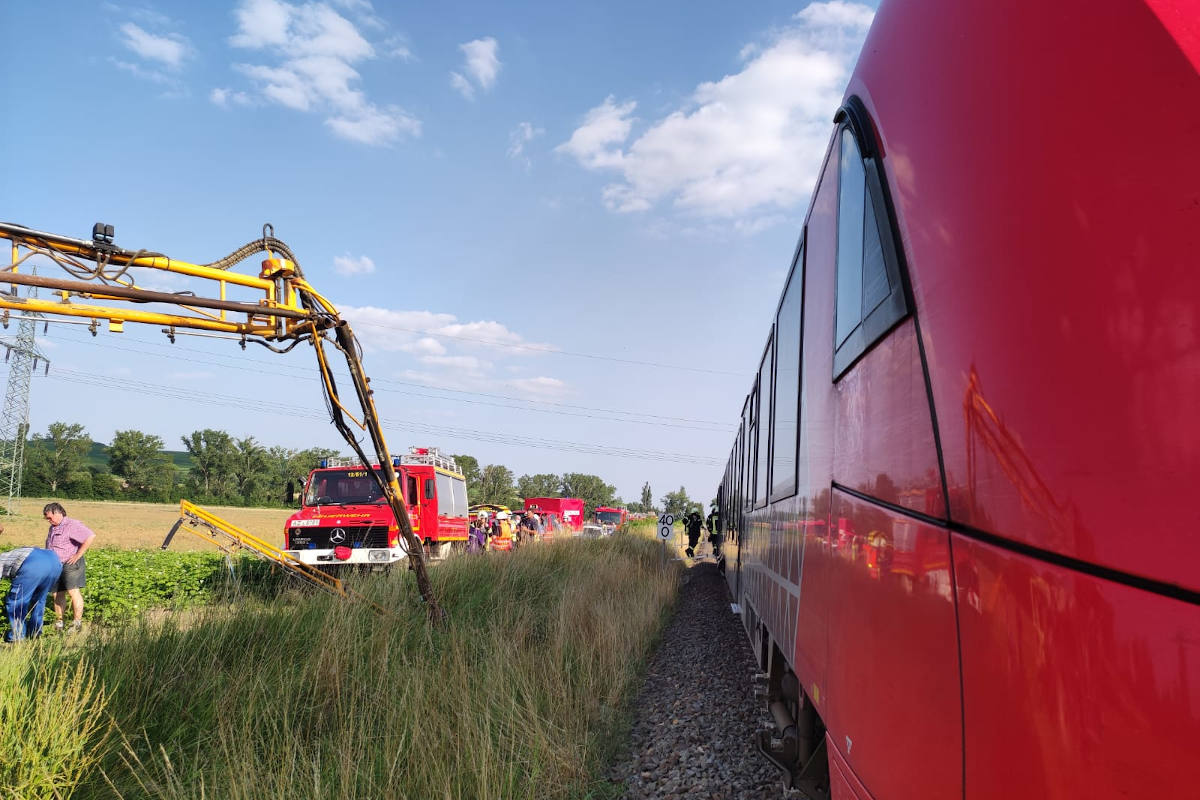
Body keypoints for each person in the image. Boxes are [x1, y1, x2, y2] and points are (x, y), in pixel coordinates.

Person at [43, 502, 95, 633]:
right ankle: (59, 623)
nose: (48, 520)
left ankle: (77, 623)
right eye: (46, 518)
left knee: (73, 592)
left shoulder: (72, 525)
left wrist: (78, 555)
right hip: (55, 565)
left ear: (58, 513)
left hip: (70, 564)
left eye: (49, 517)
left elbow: (90, 536)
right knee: (57, 593)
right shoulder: (53, 527)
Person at [2, 546, 62, 642]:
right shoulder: (9, 554)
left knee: (17, 601)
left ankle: (17, 636)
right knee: (39, 600)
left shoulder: (1, 560)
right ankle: (35, 633)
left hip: (34, 564)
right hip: (54, 562)